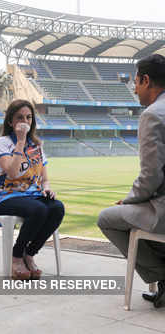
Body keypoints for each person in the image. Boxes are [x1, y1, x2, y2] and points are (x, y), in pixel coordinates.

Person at [97, 54, 165, 309]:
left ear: (146, 80)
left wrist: (129, 199)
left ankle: (162, 277)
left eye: (136, 82)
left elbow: (151, 177)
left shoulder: (153, 115)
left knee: (107, 218)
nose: (135, 89)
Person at [0, 99, 64, 280]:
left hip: (31, 196)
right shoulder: (3, 142)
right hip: (4, 197)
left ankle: (29, 254)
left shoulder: (36, 145)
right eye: (20, 117)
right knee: (38, 210)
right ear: (10, 122)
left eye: (29, 117)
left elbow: (44, 179)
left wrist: (47, 189)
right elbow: (13, 173)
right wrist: (20, 141)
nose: (25, 122)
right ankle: (16, 256)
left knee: (56, 207)